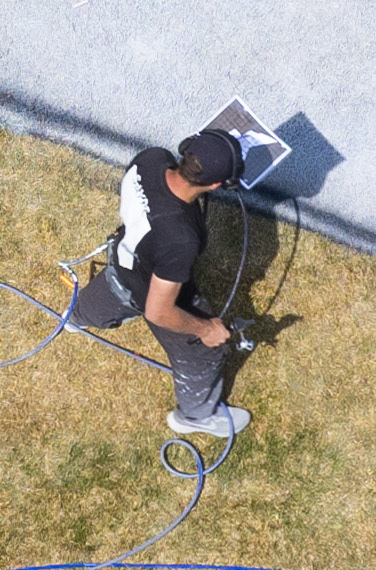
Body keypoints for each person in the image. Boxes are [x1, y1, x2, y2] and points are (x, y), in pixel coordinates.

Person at [69, 127, 251, 438]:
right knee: (204, 353)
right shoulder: (180, 240)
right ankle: (194, 417)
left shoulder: (151, 159)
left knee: (96, 301)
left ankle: (77, 318)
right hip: (145, 289)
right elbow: (158, 311)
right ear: (218, 185)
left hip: (122, 261)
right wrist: (207, 330)